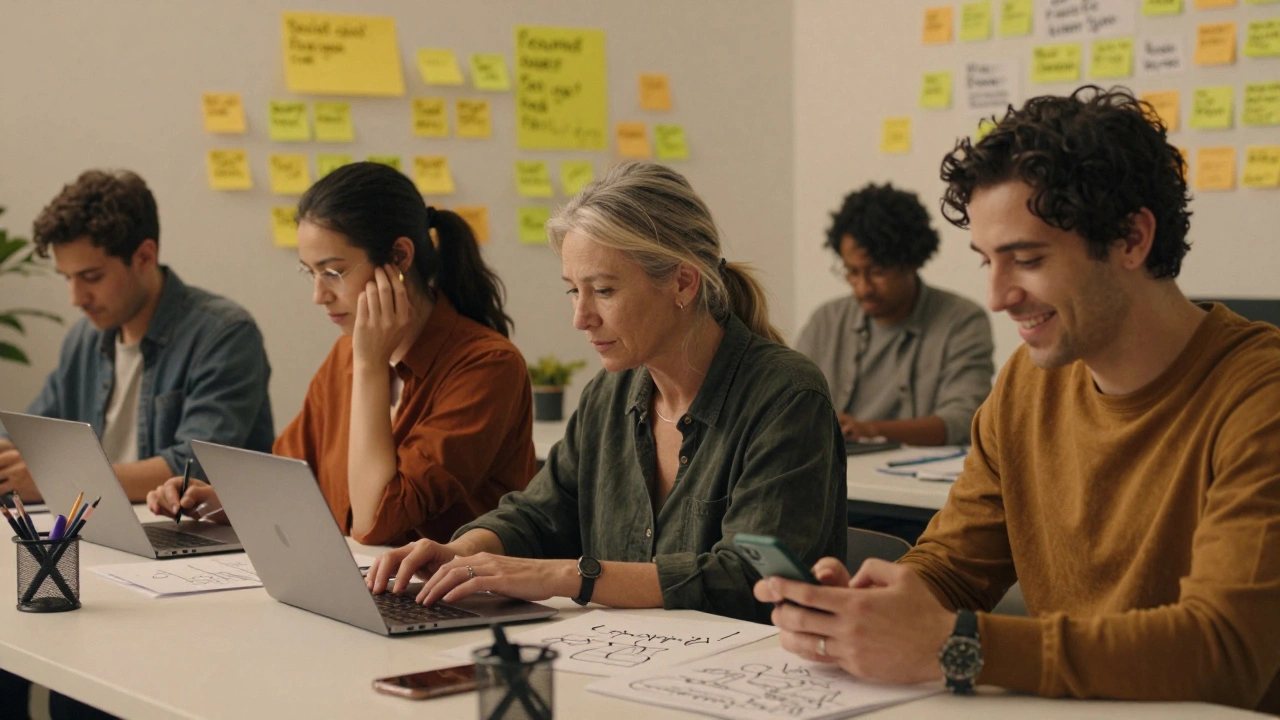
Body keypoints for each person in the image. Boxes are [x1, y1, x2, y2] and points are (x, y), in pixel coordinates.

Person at [757, 86, 1280, 712]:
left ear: (1133, 239)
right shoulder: (1026, 385)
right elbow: (957, 565)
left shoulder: (1259, 397)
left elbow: (1224, 653)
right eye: (986, 261)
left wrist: (959, 646)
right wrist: (881, 606)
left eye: (1026, 259)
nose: (999, 296)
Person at [367, 161, 847, 623]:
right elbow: (539, 515)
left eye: (604, 290)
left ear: (682, 282)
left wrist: (567, 576)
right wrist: (461, 552)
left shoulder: (786, 396)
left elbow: (747, 577)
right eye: (573, 291)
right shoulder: (609, 394)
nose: (581, 317)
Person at [148, 162, 537, 547]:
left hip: (449, 600)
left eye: (333, 272)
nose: (319, 296)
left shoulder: (487, 366)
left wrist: (370, 368)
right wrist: (222, 502)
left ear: (400, 256)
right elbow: (292, 481)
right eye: (309, 272)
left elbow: (374, 523)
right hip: (359, 587)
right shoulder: (346, 355)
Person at [0, 169, 273, 503]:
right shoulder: (84, 339)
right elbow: (29, 436)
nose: (76, 298)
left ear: (145, 256)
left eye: (92, 276)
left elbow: (193, 468)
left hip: (189, 538)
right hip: (100, 527)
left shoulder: (225, 335)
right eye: (67, 278)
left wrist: (56, 480)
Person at [795, 183, 994, 447]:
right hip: (832, 477)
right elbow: (790, 405)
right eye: (852, 272)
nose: (863, 288)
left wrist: (871, 430)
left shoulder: (962, 320)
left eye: (877, 272)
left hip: (912, 483)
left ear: (912, 262)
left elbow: (964, 420)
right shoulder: (826, 321)